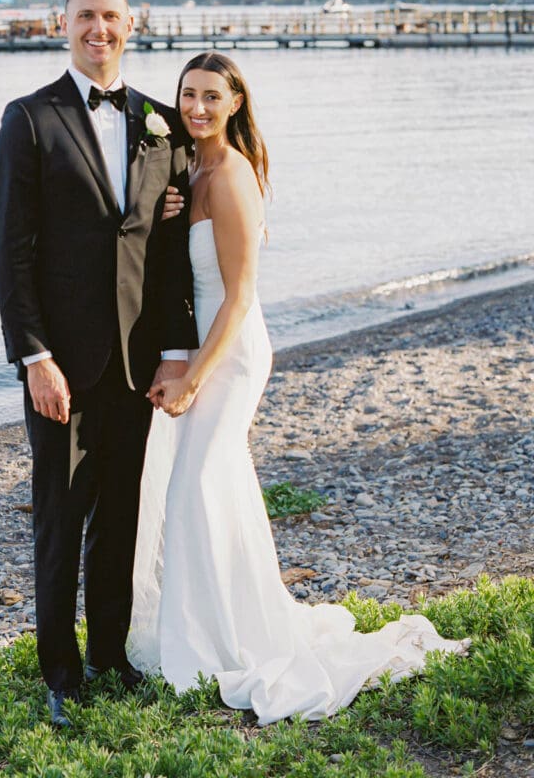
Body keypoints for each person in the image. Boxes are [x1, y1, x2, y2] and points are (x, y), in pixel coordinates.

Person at [129, 52, 468, 725]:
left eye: (210, 97)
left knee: (199, 485)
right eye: (187, 95)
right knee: (204, 489)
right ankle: (213, 632)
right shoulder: (191, 169)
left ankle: (228, 641)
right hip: (205, 351)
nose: (196, 108)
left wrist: (194, 378)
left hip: (233, 354)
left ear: (234, 103)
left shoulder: (230, 177)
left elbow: (239, 295)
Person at [0, 0, 197, 727]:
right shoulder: (29, 120)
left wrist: (178, 350)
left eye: (110, 16)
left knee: (121, 518)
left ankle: (109, 654)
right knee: (60, 517)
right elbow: (8, 249)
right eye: (85, 17)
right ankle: (60, 673)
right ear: (62, 24)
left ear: (130, 25)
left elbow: (172, 254)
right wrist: (34, 356)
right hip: (63, 369)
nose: (97, 29)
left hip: (138, 366)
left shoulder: (163, 123)